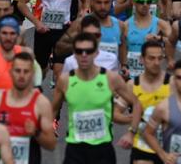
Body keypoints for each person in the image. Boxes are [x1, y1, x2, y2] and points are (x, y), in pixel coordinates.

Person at [52, 32, 142, 164]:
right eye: (79, 51)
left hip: (102, 149)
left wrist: (131, 132)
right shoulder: (65, 80)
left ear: (96, 53)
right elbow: (53, 109)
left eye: (88, 51)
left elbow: (137, 104)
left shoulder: (111, 78)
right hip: (75, 149)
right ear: (74, 53)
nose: (84, 55)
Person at [18, 0, 86, 80]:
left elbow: (86, 0)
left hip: (64, 31)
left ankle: (59, 93)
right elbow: (21, 3)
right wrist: (36, 22)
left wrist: (80, 17)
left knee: (61, 70)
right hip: (44, 30)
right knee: (40, 68)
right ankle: (38, 88)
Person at [0, 52, 57, 164]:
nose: (21, 75)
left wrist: (36, 132)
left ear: (32, 74)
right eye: (18, 71)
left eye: (26, 71)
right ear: (11, 72)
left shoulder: (41, 104)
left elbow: (51, 144)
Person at [114, 39, 173, 164]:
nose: (156, 62)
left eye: (159, 58)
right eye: (151, 58)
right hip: (142, 145)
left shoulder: (172, 83)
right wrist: (134, 118)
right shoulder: (132, 85)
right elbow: (115, 114)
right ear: (141, 59)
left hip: (168, 146)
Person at [120, 0, 173, 79]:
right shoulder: (125, 25)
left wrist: (160, 39)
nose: (145, 5)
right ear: (133, 2)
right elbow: (121, 50)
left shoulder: (161, 24)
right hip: (132, 78)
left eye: (148, 1)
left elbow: (176, 44)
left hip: (153, 78)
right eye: (141, 1)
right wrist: (124, 66)